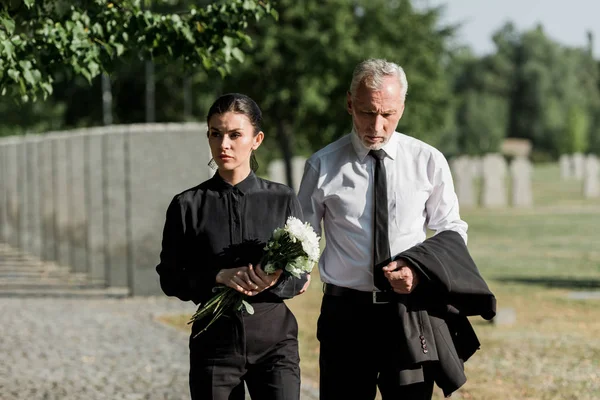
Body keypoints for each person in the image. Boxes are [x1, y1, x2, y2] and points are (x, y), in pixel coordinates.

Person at [297, 59, 495, 399]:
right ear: (349, 104)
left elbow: (451, 230)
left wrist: (418, 273)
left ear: (402, 107)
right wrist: (296, 272)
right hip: (345, 317)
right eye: (366, 112)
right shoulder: (322, 165)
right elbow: (303, 238)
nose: (377, 125)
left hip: (408, 311)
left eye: (388, 114)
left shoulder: (428, 160)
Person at [156, 93, 309, 400]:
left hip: (275, 345)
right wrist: (217, 276)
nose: (223, 144)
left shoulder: (282, 199)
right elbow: (169, 277)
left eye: (235, 135)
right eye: (216, 134)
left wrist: (278, 279)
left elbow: (301, 275)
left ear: (256, 139)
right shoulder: (187, 205)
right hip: (213, 347)